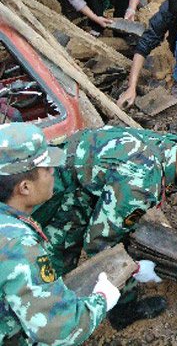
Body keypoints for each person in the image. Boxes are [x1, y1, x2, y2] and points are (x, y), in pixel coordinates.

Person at [31, 125, 177, 330]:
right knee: (60, 256)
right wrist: (135, 269)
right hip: (62, 188)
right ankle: (105, 315)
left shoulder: (173, 148)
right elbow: (99, 243)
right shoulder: (141, 186)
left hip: (82, 168)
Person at [0, 123, 120, 344]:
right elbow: (60, 331)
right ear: (25, 187)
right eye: (47, 168)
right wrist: (102, 300)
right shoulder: (17, 245)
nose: (53, 171)